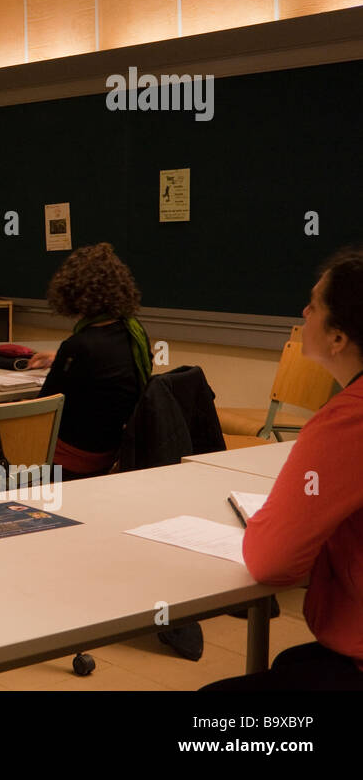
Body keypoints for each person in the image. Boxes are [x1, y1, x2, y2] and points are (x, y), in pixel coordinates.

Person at [205, 248, 363, 691]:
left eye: (316, 305)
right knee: (293, 661)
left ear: (338, 338)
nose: (304, 312)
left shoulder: (345, 423)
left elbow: (272, 563)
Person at [28, 243, 151, 480]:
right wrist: (60, 358)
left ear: (71, 291)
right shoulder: (134, 333)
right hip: (109, 451)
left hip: (70, 460)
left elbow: (41, 409)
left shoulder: (79, 346)